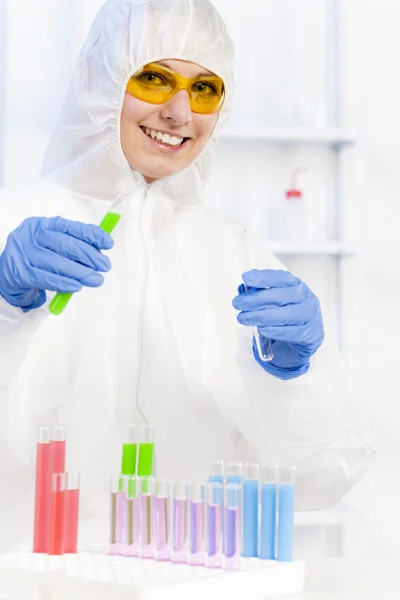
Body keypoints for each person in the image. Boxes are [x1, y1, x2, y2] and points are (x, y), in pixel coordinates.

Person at [0, 0, 375, 550]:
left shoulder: (235, 251)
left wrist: (293, 376)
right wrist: (7, 307)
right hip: (29, 576)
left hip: (189, 576)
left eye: (204, 89)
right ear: (97, 79)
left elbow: (319, 475)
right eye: (153, 78)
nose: (180, 113)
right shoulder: (14, 228)